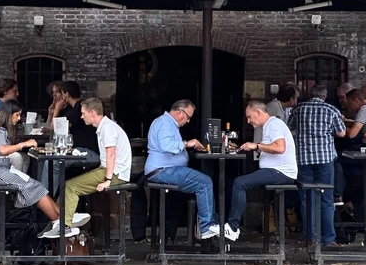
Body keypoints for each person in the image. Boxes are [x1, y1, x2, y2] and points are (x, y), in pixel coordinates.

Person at [0, 100, 78, 239]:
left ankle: (64, 219)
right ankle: (58, 222)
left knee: (36, 184)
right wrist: (24, 144)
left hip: (1, 169)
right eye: (17, 115)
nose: (19, 119)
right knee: (29, 186)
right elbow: (3, 150)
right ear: (9, 115)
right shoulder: (0, 130)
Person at [145, 100, 220, 240]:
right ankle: (207, 227)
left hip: (166, 169)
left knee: (203, 181)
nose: (188, 121)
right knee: (204, 183)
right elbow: (167, 145)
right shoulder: (165, 123)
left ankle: (210, 224)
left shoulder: (166, 123)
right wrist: (187, 143)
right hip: (163, 170)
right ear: (180, 112)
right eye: (188, 117)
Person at [226, 101, 298, 242]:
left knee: (239, 183)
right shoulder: (269, 125)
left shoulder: (274, 124)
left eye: (249, 116)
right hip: (276, 170)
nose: (248, 121)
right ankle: (232, 226)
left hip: (281, 172)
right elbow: (273, 148)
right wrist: (256, 148)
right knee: (240, 182)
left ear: (258, 112)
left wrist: (257, 145)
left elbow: (280, 148)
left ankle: (232, 227)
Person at [61, 98, 133, 230]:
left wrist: (108, 180)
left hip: (115, 174)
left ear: (92, 113)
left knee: (70, 187)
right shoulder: (106, 126)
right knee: (68, 186)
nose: (82, 117)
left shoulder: (107, 128)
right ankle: (60, 219)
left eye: (83, 113)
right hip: (110, 170)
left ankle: (64, 226)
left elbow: (111, 154)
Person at [288, 85, 345, 247]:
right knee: (326, 199)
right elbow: (342, 133)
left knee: (307, 200)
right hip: (325, 159)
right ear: (324, 96)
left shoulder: (299, 109)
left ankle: (310, 238)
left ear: (309, 95)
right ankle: (328, 239)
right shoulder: (331, 110)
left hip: (303, 159)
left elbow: (290, 128)